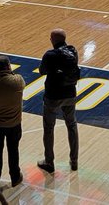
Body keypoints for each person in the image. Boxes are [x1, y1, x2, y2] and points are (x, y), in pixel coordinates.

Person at [38, 28, 79, 174]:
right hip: (70, 93)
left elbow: (42, 71)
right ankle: (74, 161)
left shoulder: (50, 55)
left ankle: (49, 162)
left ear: (53, 40)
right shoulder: (73, 51)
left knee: (49, 128)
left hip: (53, 96)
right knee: (72, 125)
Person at [0, 55, 24, 187]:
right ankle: (15, 177)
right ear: (8, 66)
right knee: (13, 151)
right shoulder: (17, 80)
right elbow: (18, 81)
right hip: (14, 125)